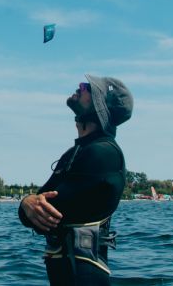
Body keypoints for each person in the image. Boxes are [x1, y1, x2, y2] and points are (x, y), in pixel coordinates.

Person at [18, 74, 133, 285]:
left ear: (100, 106)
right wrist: (27, 202)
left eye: (88, 87)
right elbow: (30, 212)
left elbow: (50, 211)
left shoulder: (103, 154)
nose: (80, 87)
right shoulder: (76, 153)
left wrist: (31, 205)